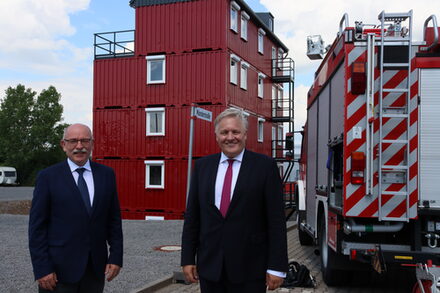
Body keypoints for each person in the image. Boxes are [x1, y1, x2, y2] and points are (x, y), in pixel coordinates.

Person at [181, 108, 288, 292]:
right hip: (210, 269)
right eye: (224, 132)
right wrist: (188, 259)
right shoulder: (202, 167)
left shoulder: (265, 167)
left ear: (245, 135)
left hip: (250, 269)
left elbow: (276, 221)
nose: (230, 137)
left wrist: (277, 267)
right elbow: (192, 217)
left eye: (235, 131)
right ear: (216, 136)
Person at [29, 123, 123, 293]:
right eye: (73, 141)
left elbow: (113, 220)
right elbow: (37, 228)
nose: (79, 146)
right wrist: (42, 268)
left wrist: (116, 257)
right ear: (63, 145)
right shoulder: (48, 177)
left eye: (85, 141)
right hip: (58, 273)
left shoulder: (106, 175)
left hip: (95, 270)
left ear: (92, 144)